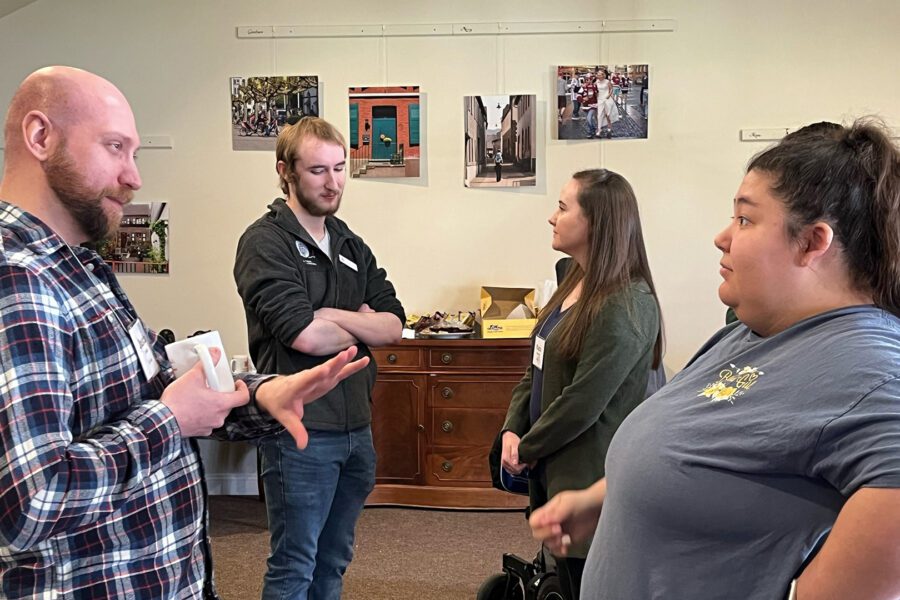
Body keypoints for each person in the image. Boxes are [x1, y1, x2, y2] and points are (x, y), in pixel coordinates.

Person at [0, 66, 370, 599]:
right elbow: (30, 505)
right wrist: (170, 420)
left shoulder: (77, 266)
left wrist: (263, 394)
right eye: (115, 147)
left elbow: (157, 381)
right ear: (40, 136)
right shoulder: (17, 278)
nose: (134, 177)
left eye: (136, 154)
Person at [530, 119, 900, 599]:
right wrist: (605, 498)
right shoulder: (750, 332)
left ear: (813, 242)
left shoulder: (870, 367)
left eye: (745, 219)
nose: (722, 236)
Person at [233, 116, 404, 600]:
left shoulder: (349, 241)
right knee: (295, 565)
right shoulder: (264, 243)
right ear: (285, 172)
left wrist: (332, 313)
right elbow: (304, 336)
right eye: (317, 171)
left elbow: (394, 325)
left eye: (340, 168)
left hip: (356, 431)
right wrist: (356, 320)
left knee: (333, 561)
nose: (333, 183)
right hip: (300, 435)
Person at [501, 169, 663, 599]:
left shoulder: (628, 302)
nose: (552, 218)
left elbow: (584, 402)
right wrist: (511, 430)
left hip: (589, 475)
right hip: (553, 465)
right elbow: (535, 365)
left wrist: (528, 448)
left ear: (596, 222)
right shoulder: (575, 279)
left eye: (562, 207)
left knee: (587, 585)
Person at [595, 68, 620, 139]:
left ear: (603, 75)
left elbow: (611, 89)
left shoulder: (607, 82)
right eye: (597, 74)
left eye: (599, 75)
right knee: (599, 115)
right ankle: (599, 130)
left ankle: (609, 129)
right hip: (600, 99)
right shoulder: (596, 82)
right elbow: (594, 89)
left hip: (607, 99)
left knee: (607, 115)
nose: (598, 76)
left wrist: (609, 95)